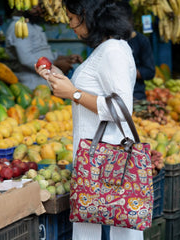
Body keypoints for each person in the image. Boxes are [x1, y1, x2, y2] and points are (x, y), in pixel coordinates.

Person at [35, 0, 144, 240]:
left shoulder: (113, 50)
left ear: (88, 14)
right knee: (97, 225)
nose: (70, 23)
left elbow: (121, 106)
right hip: (97, 156)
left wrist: (73, 94)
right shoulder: (107, 47)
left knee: (115, 228)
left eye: (73, 17)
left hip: (106, 157)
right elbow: (92, 91)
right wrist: (57, 76)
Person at [5, 2, 83, 90]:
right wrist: (56, 64)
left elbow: (42, 53)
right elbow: (26, 59)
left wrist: (65, 58)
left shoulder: (32, 26)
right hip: (31, 86)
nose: (39, 9)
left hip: (43, 85)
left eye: (39, 6)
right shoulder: (18, 27)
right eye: (35, 6)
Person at [116, 1, 155, 100]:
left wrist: (127, 72)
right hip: (113, 96)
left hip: (136, 96)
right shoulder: (109, 42)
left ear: (130, 20)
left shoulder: (141, 40)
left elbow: (150, 71)